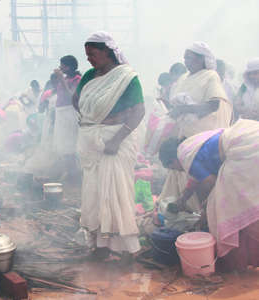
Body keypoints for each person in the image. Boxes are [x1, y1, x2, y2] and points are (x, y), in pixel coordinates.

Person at [73, 31, 145, 263]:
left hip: (116, 142)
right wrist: (89, 119)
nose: (89, 59)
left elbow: (138, 111)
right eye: (87, 55)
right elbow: (77, 99)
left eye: (92, 54)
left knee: (116, 193)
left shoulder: (126, 77)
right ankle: (100, 245)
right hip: (92, 141)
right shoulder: (88, 76)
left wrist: (115, 139)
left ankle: (127, 249)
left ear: (107, 52)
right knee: (94, 193)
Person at [158, 119, 259, 272]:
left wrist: (206, 207)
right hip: (249, 138)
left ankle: (234, 261)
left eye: (174, 168)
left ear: (173, 161)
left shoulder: (185, 157)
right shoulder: (191, 145)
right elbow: (197, 175)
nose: (179, 171)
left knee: (232, 209)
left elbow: (208, 181)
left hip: (245, 153)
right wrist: (182, 200)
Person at [158, 42, 233, 212]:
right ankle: (185, 208)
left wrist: (184, 109)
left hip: (203, 136)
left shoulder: (210, 76)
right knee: (183, 171)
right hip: (186, 133)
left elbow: (214, 104)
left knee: (201, 173)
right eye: (185, 58)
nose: (186, 62)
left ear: (202, 59)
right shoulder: (184, 79)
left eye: (190, 58)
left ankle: (205, 210)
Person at [53, 55, 81, 181]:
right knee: (63, 143)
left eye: (63, 65)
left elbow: (72, 96)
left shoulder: (77, 79)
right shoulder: (64, 78)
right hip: (61, 113)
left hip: (70, 112)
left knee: (70, 143)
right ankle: (69, 171)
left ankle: (73, 173)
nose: (61, 67)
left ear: (69, 67)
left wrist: (61, 79)